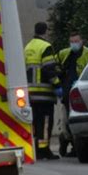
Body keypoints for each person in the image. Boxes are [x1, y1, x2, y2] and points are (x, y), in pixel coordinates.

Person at [24, 22, 61, 160]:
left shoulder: (28, 47)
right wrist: (57, 85)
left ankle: (35, 149)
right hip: (44, 93)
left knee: (35, 123)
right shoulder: (45, 47)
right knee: (45, 123)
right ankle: (44, 150)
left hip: (31, 94)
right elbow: (49, 69)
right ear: (45, 31)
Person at [57, 31, 88, 156]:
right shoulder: (64, 53)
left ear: (82, 41)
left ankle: (74, 145)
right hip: (67, 93)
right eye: (72, 42)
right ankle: (67, 141)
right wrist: (58, 85)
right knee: (67, 120)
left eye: (76, 41)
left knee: (78, 120)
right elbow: (57, 68)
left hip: (81, 92)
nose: (74, 44)